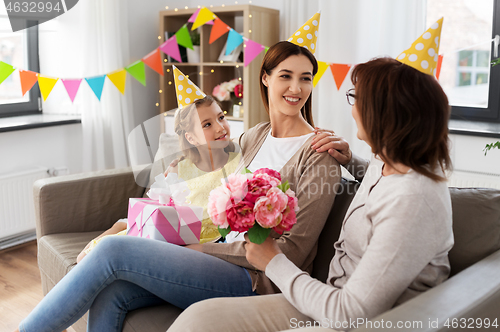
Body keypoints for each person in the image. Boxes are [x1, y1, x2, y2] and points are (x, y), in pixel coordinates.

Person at [15, 40, 341, 332]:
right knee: (112, 294)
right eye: (286, 75)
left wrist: (198, 249)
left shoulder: (319, 155)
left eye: (306, 77)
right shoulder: (255, 136)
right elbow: (211, 160)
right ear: (266, 78)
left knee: (113, 249)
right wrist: (182, 162)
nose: (296, 87)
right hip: (216, 257)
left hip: (258, 277)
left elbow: (294, 252)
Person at [165, 56, 454, 332]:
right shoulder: (388, 160)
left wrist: (272, 260)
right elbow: (381, 184)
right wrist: (350, 160)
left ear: (385, 114)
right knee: (197, 319)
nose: (352, 109)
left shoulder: (413, 201)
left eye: (357, 98)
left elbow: (349, 313)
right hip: (325, 297)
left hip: (358, 320)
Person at [75, 95, 239, 263]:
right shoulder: (180, 167)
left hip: (204, 237)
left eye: (221, 117)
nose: (220, 127)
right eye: (207, 124)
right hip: (171, 231)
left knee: (105, 252)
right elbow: (163, 208)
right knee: (86, 255)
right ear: (191, 138)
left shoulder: (239, 162)